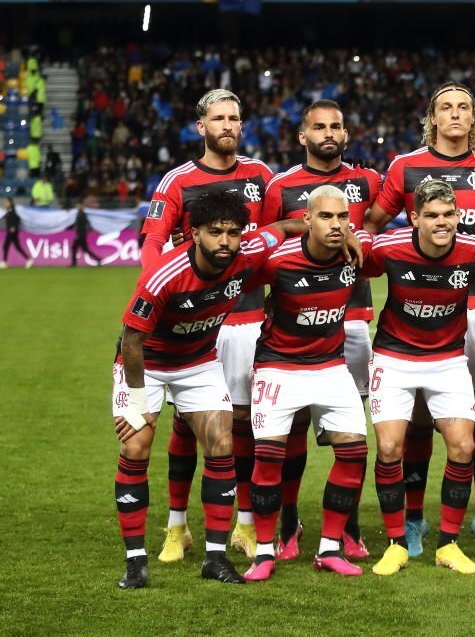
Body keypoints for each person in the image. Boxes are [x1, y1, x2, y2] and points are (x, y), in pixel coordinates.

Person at [363, 82, 475, 557]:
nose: (454, 114)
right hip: (415, 315)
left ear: (473, 117)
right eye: (445, 108)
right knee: (415, 421)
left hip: (471, 306)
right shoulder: (405, 166)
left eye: (463, 107)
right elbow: (372, 226)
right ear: (432, 118)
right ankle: (413, 521)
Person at [110, 190, 303, 589]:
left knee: (221, 444)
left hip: (197, 362)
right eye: (215, 232)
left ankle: (214, 558)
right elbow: (131, 340)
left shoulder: (247, 252)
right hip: (146, 365)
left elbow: (284, 227)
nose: (225, 242)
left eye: (232, 232)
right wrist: (139, 401)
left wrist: (343, 233)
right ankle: (135, 561)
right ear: (194, 233)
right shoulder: (164, 274)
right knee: (135, 446)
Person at [141, 89, 273, 564]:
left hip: (249, 317)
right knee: (185, 424)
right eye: (218, 118)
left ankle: (243, 524)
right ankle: (177, 527)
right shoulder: (177, 181)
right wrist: (159, 296)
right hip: (194, 324)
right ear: (201, 127)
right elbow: (153, 244)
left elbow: (278, 242)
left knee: (243, 426)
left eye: (235, 118)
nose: (227, 126)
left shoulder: (261, 176)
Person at [260, 99, 380, 561]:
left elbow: (386, 225)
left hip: (351, 320)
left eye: (336, 125)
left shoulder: (368, 181)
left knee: (348, 433)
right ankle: (288, 524)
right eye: (319, 127)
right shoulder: (282, 185)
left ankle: (348, 529)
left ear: (346, 134)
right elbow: (263, 235)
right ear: (302, 136)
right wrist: (298, 226)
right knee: (292, 429)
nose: (328, 133)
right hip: (292, 321)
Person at [362, 179, 475, 576]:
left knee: (464, 447)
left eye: (449, 214)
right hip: (394, 357)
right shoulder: (388, 248)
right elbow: (351, 268)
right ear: (415, 217)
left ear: (458, 216)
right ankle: (396, 544)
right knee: (388, 447)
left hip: (449, 360)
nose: (443, 222)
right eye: (433, 215)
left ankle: (448, 545)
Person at [242, 185, 374, 581]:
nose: (336, 225)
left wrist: (354, 236)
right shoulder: (277, 262)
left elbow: (383, 240)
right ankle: (265, 551)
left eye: (342, 218)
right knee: (268, 458)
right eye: (326, 217)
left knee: (354, 452)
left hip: (330, 367)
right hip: (277, 366)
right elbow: (239, 258)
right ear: (307, 220)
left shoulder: (356, 255)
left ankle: (330, 547)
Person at [1, 197, 32, 269]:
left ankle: (5, 262)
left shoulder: (13, 211)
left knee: (6, 245)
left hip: (12, 231)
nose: (5, 204)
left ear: (10, 203)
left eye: (6, 202)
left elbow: (17, 218)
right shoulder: (9, 211)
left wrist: (13, 226)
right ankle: (28, 259)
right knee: (16, 246)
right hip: (11, 231)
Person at [70, 200, 103, 267]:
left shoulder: (81, 214)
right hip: (81, 234)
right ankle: (98, 259)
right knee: (85, 249)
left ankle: (74, 263)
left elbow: (82, 225)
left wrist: (79, 235)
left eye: (78, 205)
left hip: (80, 235)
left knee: (74, 248)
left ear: (81, 206)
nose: (77, 207)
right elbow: (87, 223)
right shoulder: (81, 214)